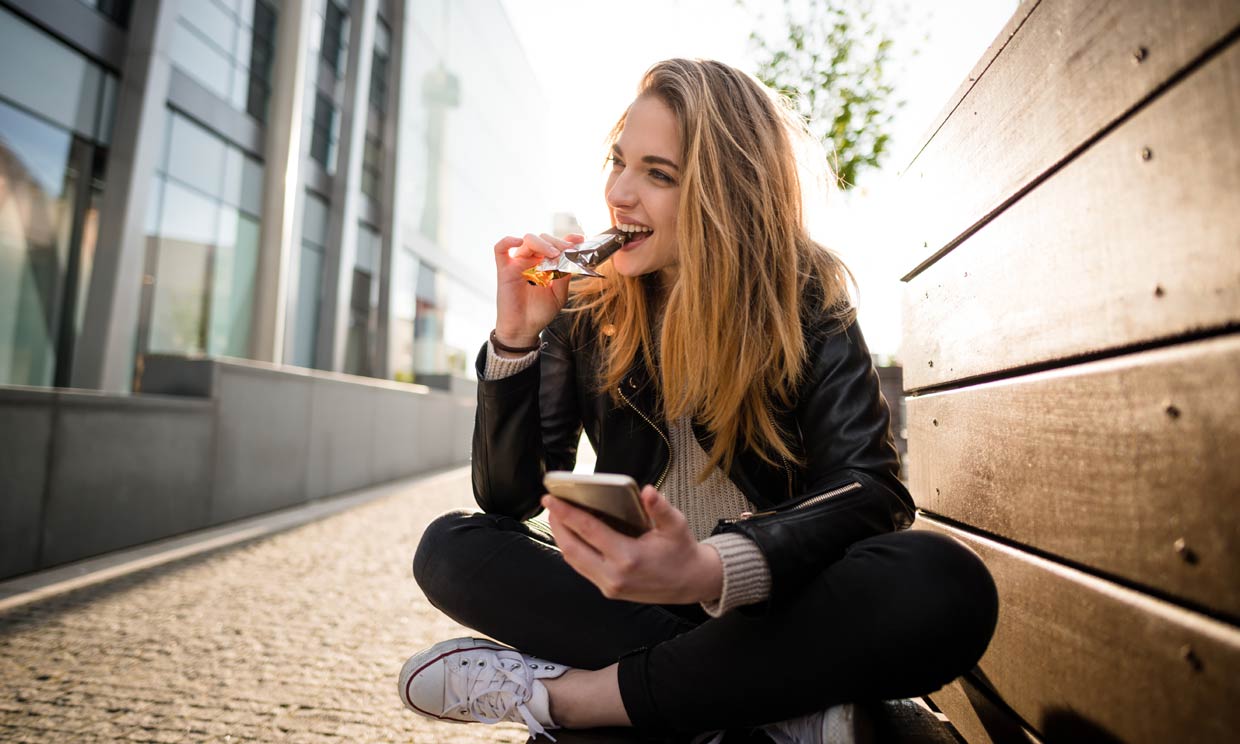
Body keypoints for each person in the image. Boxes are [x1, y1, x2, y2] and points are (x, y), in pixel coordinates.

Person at [398, 58, 998, 743]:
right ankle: (773, 709)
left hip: (771, 605)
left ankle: (577, 701)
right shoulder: (585, 308)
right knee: (451, 547)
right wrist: (515, 342)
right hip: (630, 607)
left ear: (726, 192)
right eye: (618, 162)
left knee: (945, 581)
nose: (620, 193)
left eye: (658, 174)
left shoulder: (806, 297)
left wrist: (708, 567)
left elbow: (871, 491)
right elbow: (509, 501)